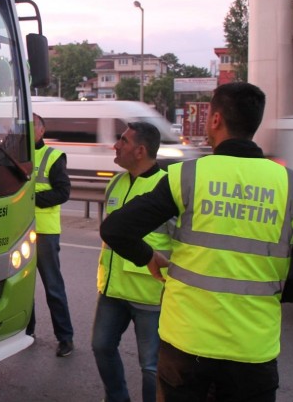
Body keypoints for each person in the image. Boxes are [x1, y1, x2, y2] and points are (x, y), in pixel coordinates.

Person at [100, 82, 293, 401]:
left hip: (186, 345)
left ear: (215, 120)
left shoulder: (186, 176)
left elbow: (116, 229)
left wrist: (149, 256)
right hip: (252, 352)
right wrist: (273, 291)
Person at [93, 122, 170, 402]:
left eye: (122, 141)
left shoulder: (166, 188)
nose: (116, 145)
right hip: (112, 290)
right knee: (101, 347)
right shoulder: (116, 182)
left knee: (150, 366)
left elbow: (180, 243)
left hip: (149, 295)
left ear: (139, 150)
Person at [28, 113, 75, 357]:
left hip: (45, 232)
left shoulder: (53, 156)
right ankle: (27, 332)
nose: (26, 129)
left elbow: (63, 192)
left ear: (42, 131)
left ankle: (65, 338)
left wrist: (30, 200)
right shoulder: (15, 155)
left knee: (53, 287)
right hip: (19, 230)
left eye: (32, 125)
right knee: (23, 287)